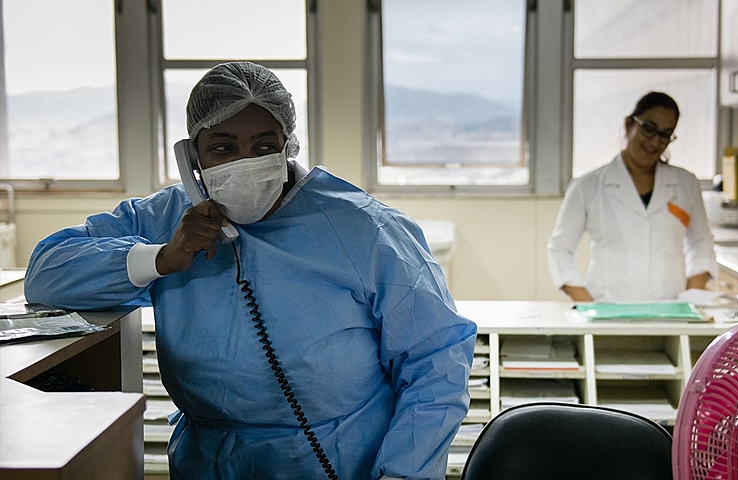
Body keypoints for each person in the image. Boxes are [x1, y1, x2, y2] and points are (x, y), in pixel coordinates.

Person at [24, 61, 476, 480]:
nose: (245, 162)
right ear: (192, 158)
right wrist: (160, 257)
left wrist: (403, 474)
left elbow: (436, 360)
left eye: (263, 146)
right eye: (222, 147)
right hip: (207, 458)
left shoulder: (364, 229)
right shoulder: (167, 218)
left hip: (337, 457)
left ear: (288, 146)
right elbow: (46, 272)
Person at [547, 91, 716, 302]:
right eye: (648, 128)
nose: (654, 142)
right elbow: (560, 249)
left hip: (671, 311)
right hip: (607, 308)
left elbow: (701, 242)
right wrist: (587, 305)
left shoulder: (685, 184)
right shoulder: (588, 186)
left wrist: (693, 296)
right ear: (629, 124)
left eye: (665, 134)